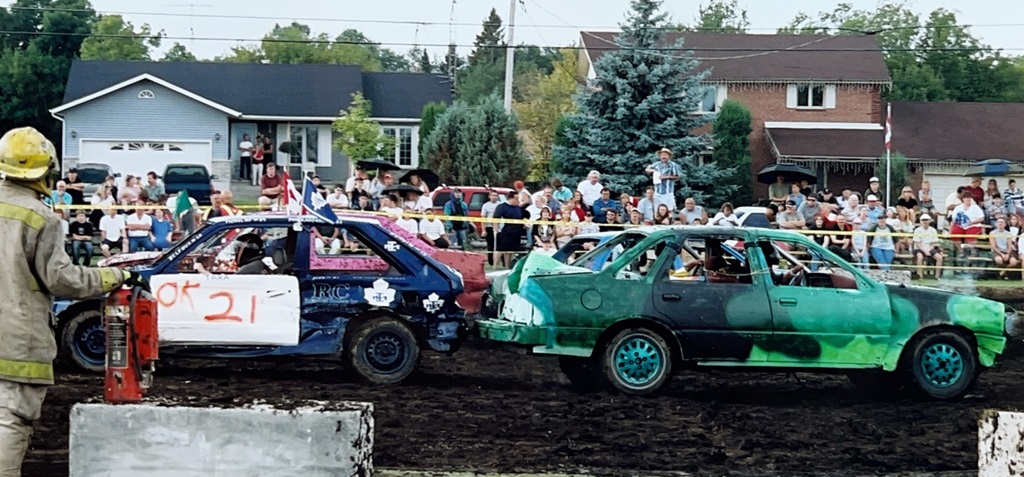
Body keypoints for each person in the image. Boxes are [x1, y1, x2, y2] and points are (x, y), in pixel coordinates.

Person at [0, 127, 142, 475]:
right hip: (16, 345)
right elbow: (62, 280)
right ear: (46, 170)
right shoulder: (40, 217)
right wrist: (116, 276)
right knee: (8, 421)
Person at [950, 192, 985, 259]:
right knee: (954, 233)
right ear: (963, 199)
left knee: (970, 234)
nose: (968, 199)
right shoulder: (958, 208)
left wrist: (972, 222)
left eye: (969, 198)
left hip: (973, 225)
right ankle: (960, 250)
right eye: (966, 198)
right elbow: (954, 218)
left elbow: (981, 218)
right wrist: (958, 222)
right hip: (961, 225)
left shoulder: (975, 207)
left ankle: (972, 251)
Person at [493, 194, 525, 267]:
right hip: (504, 230)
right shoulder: (502, 207)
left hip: (515, 232)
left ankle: (507, 266)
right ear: (511, 198)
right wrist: (497, 229)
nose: (518, 200)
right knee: (500, 249)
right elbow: (496, 218)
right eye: (516, 198)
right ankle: (495, 266)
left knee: (509, 250)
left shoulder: (518, 208)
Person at [913, 214, 944, 279]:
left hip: (930, 247)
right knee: (920, 257)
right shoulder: (917, 230)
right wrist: (925, 251)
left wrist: (929, 250)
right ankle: (920, 276)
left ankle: (937, 276)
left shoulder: (933, 230)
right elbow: (918, 243)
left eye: (926, 220)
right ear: (920, 221)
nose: (925, 222)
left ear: (929, 221)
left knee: (939, 258)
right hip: (919, 248)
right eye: (923, 220)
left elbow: (934, 242)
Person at [480, 191, 500, 265]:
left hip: (499, 227)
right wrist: (483, 230)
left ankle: (500, 261)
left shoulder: (500, 205)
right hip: (489, 227)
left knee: (499, 245)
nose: (494, 197)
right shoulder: (486, 205)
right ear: (489, 196)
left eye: (496, 195)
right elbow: (483, 218)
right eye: (493, 195)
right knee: (490, 245)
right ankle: (491, 262)